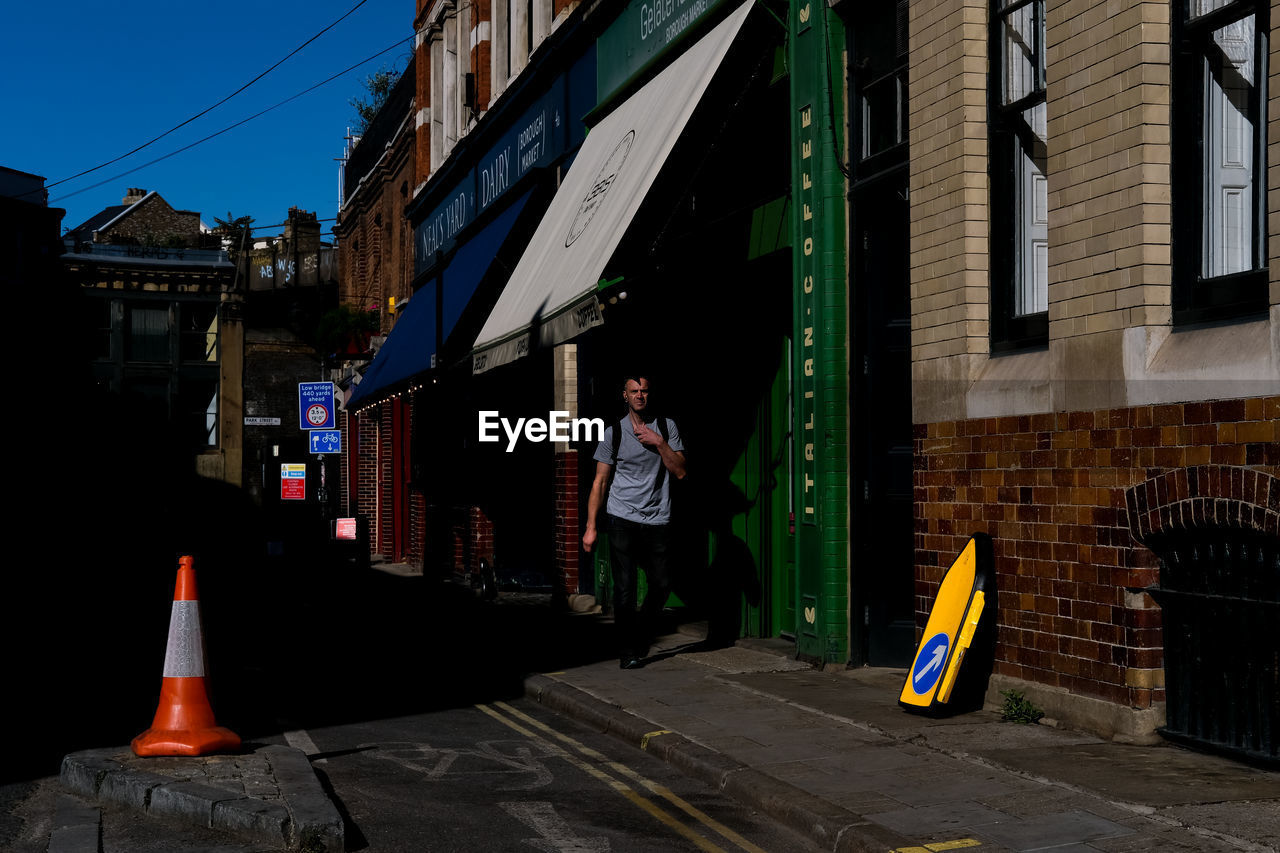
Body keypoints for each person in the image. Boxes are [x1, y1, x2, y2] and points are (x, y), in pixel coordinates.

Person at [583, 375, 687, 669]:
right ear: (624, 396)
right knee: (625, 587)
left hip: (658, 518)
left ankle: (641, 634)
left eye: (644, 391)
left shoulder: (667, 427)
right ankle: (628, 650)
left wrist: (660, 443)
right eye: (634, 391)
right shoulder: (613, 433)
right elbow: (600, 482)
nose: (640, 395)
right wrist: (591, 527)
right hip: (622, 517)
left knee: (662, 584)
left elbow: (679, 472)